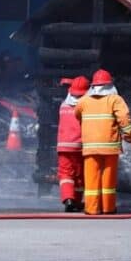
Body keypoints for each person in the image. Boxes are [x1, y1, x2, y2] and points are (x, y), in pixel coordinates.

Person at [74, 69, 131, 215]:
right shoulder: (115, 99)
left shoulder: (83, 101)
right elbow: (124, 119)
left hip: (90, 147)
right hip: (110, 147)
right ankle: (108, 208)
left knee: (91, 179)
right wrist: (129, 135)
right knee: (108, 179)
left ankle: (92, 208)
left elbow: (77, 114)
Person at [57, 76, 90, 212]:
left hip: (63, 146)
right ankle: (76, 200)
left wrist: (69, 82)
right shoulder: (86, 106)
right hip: (79, 146)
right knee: (80, 175)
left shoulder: (64, 104)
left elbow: (74, 89)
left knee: (65, 174)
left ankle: (68, 200)